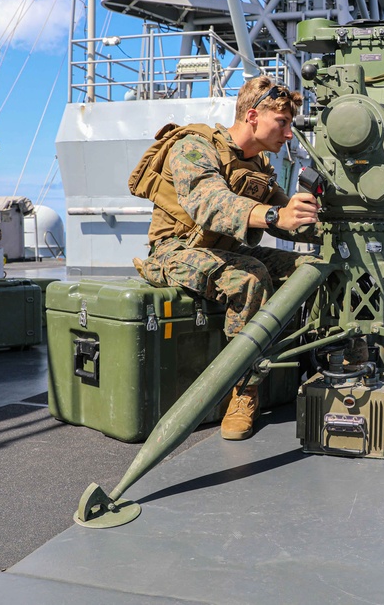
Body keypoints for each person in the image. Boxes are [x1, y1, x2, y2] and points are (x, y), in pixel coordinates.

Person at [134, 76, 319, 440]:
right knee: (249, 277)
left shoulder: (259, 166)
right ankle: (243, 391)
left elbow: (285, 218)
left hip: (224, 251)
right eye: (282, 123)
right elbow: (209, 202)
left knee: (311, 270)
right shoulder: (193, 146)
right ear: (253, 116)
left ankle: (315, 367)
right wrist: (273, 216)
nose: (288, 135)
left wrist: (318, 223)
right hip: (175, 252)